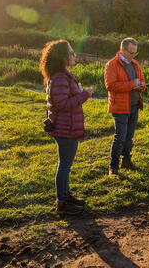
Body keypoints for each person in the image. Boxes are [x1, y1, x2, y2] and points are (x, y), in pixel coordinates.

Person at [40, 40, 94, 215]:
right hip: (66, 128)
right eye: (71, 53)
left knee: (65, 165)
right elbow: (63, 104)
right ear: (62, 56)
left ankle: (65, 196)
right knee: (64, 165)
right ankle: (62, 203)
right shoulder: (61, 78)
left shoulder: (60, 75)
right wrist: (85, 94)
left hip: (65, 126)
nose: (74, 55)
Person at [104, 37, 146, 176]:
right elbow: (110, 85)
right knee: (120, 137)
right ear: (123, 50)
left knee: (129, 136)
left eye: (136, 53)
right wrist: (131, 85)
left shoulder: (135, 64)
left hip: (134, 105)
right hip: (120, 107)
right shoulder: (112, 64)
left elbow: (141, 81)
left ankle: (126, 161)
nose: (133, 55)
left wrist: (141, 86)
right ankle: (113, 167)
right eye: (131, 52)